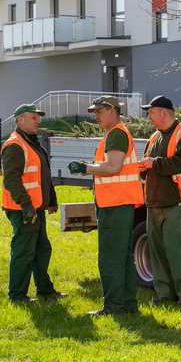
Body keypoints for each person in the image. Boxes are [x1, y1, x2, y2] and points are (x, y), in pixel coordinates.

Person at [68, 96, 144, 316]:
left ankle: (113, 307)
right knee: (124, 256)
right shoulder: (118, 133)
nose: (96, 116)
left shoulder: (117, 134)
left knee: (110, 257)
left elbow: (112, 167)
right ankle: (128, 305)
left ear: (113, 110)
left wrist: (85, 168)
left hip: (114, 204)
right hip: (120, 203)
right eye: (94, 112)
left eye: (99, 111)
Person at [138, 95, 181, 306]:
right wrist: (142, 168)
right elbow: (150, 166)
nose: (149, 117)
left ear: (165, 113)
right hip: (154, 201)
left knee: (175, 250)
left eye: (151, 112)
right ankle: (165, 294)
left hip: (176, 201)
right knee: (157, 251)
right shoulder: (154, 136)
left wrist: (152, 163)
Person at [0, 103, 65, 303]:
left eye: (38, 117)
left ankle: (44, 290)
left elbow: (43, 174)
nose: (38, 121)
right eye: (33, 117)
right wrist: (27, 205)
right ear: (20, 119)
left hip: (36, 208)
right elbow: (11, 180)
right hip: (23, 209)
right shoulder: (15, 145)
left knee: (42, 249)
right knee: (24, 251)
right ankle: (17, 295)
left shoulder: (32, 142)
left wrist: (50, 200)